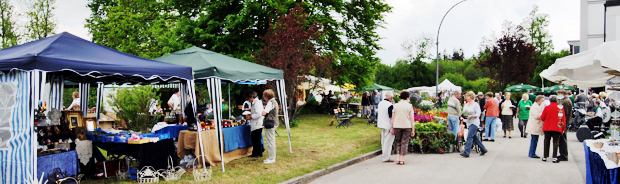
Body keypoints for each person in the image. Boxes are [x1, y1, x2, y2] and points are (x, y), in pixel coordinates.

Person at [390, 91, 415, 165]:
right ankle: (402, 160)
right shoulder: (409, 106)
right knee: (404, 142)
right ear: (407, 97)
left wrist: (392, 127)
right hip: (407, 126)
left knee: (398, 142)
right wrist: (413, 130)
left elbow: (393, 118)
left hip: (397, 126)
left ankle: (398, 159)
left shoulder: (395, 105)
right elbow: (412, 119)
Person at [460, 91, 488, 158]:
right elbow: (464, 113)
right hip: (468, 122)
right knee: (475, 138)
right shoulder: (466, 104)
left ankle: (466, 152)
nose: (466, 97)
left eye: (467, 96)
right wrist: (462, 117)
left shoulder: (475, 104)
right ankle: (483, 149)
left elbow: (478, 114)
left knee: (469, 137)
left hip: (474, 123)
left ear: (471, 97)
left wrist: (472, 116)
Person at [540, 96, 566, 163]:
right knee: (555, 142)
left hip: (547, 127)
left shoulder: (547, 107)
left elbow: (542, 118)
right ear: (557, 101)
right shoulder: (561, 108)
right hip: (557, 128)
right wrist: (563, 128)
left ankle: (545, 157)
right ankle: (554, 157)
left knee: (546, 142)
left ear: (550, 101)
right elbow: (563, 119)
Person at [261, 89, 279, 164]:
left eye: (264, 96)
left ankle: (271, 158)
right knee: (271, 141)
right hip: (273, 122)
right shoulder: (274, 101)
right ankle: (271, 157)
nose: (263, 97)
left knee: (270, 141)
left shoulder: (270, 103)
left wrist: (262, 111)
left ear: (266, 96)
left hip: (270, 123)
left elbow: (264, 113)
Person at [377, 91, 395, 162]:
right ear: (390, 97)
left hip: (381, 124)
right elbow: (391, 117)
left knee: (383, 141)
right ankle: (386, 157)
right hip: (388, 125)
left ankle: (384, 156)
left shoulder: (380, 103)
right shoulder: (390, 105)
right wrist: (392, 127)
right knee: (388, 142)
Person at [247, 91, 265, 158]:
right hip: (257, 124)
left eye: (249, 98)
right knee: (256, 139)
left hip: (257, 124)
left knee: (256, 140)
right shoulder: (256, 102)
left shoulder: (257, 103)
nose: (249, 100)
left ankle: (257, 154)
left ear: (252, 97)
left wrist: (251, 116)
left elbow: (258, 113)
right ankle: (257, 153)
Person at [557, 90, 572, 162]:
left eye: (558, 94)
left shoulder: (566, 101)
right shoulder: (566, 100)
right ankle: (562, 154)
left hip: (564, 122)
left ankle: (564, 156)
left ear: (561, 94)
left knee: (562, 139)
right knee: (562, 139)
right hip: (565, 122)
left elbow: (564, 113)